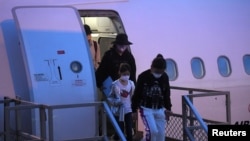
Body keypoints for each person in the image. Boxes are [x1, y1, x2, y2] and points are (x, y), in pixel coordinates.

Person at [131, 54, 172, 141]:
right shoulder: (143, 77)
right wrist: (134, 110)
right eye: (156, 72)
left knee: (161, 135)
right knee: (152, 131)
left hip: (160, 109)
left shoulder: (165, 77)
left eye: (160, 72)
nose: (158, 74)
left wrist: (168, 108)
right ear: (151, 67)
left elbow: (166, 94)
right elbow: (137, 94)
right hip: (146, 109)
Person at [107, 63, 135, 141]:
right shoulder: (115, 84)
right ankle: (116, 138)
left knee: (129, 129)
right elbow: (110, 98)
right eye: (124, 74)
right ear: (120, 73)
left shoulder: (131, 84)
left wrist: (134, 109)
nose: (126, 76)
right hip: (118, 111)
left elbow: (133, 96)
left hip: (128, 110)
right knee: (120, 129)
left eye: (128, 74)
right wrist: (117, 102)